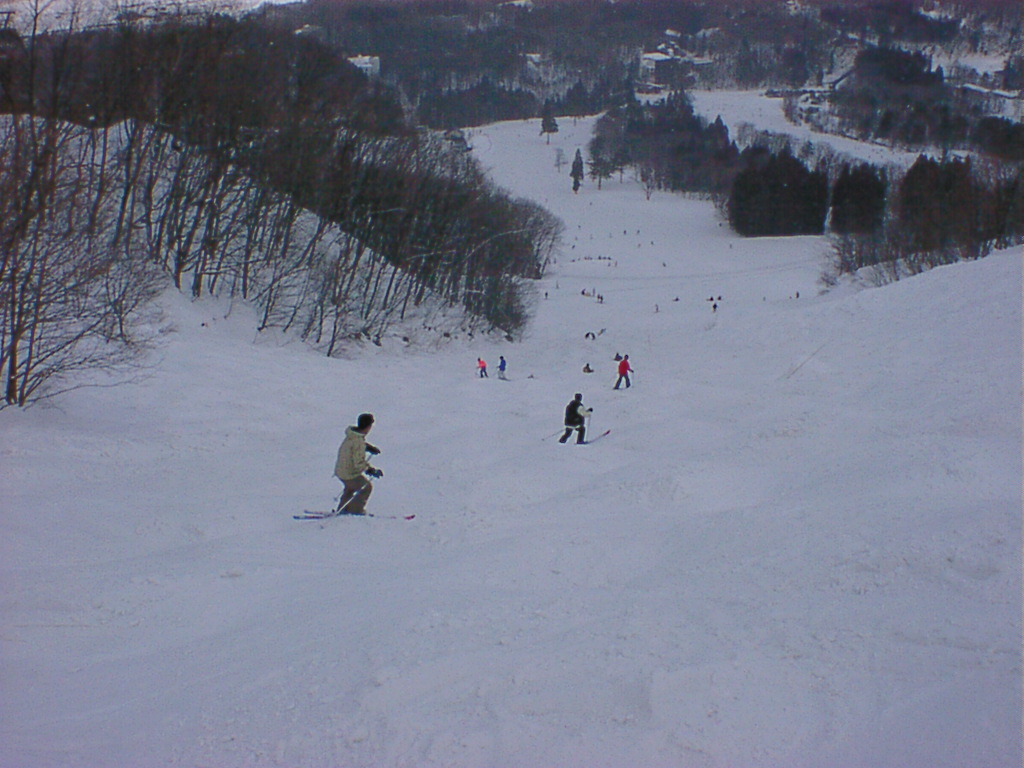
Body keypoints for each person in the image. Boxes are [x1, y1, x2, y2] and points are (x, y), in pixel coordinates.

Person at [333, 413, 382, 515]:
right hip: (349, 473)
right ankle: (356, 511)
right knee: (366, 487)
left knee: (350, 488)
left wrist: (367, 447)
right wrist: (371, 470)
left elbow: (354, 446)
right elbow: (358, 463)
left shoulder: (353, 435)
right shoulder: (358, 441)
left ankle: (343, 509)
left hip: (341, 471)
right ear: (368, 427)